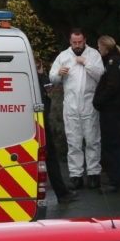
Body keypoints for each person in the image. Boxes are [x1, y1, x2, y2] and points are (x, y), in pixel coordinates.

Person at [49, 29, 104, 190]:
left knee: (93, 140)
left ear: (85, 40)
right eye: (75, 42)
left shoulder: (93, 54)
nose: (78, 45)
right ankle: (76, 175)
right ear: (70, 41)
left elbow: (100, 74)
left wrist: (86, 63)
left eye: (80, 42)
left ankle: (94, 173)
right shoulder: (63, 56)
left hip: (89, 104)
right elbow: (52, 78)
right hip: (71, 105)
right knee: (74, 142)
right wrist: (59, 73)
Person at [36, 58, 78, 204]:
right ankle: (62, 193)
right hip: (40, 122)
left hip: (36, 122)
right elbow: (48, 90)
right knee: (51, 157)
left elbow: (48, 88)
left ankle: (62, 192)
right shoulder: (34, 78)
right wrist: (41, 74)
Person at [93, 36, 120, 192]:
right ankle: (118, 180)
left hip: (111, 110)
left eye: (99, 46)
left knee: (112, 145)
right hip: (116, 109)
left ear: (105, 46)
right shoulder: (119, 61)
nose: (98, 49)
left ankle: (116, 181)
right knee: (116, 145)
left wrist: (99, 100)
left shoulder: (113, 63)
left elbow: (112, 86)